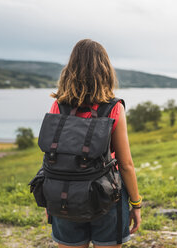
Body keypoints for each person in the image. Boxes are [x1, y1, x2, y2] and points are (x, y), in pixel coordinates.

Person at [48, 39, 141, 248]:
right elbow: (126, 164)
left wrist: (50, 197)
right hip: (107, 197)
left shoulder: (58, 106)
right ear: (105, 70)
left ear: (70, 69)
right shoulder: (114, 108)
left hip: (64, 195)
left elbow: (51, 155)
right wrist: (136, 203)